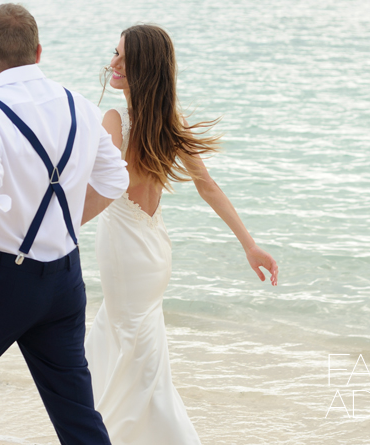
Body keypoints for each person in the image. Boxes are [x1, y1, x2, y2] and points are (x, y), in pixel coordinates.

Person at [0, 4, 128, 444]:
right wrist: (64, 225)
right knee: (76, 414)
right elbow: (115, 178)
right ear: (38, 51)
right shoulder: (80, 105)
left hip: (1, 284)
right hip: (66, 279)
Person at [83, 24, 279, 445]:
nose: (112, 64)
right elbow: (207, 185)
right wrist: (250, 245)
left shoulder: (114, 120)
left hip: (127, 254)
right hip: (152, 250)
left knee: (129, 350)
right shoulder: (169, 121)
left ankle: (117, 434)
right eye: (113, 53)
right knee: (132, 350)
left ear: (144, 68)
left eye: (123, 58)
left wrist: (50, 227)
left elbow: (102, 187)